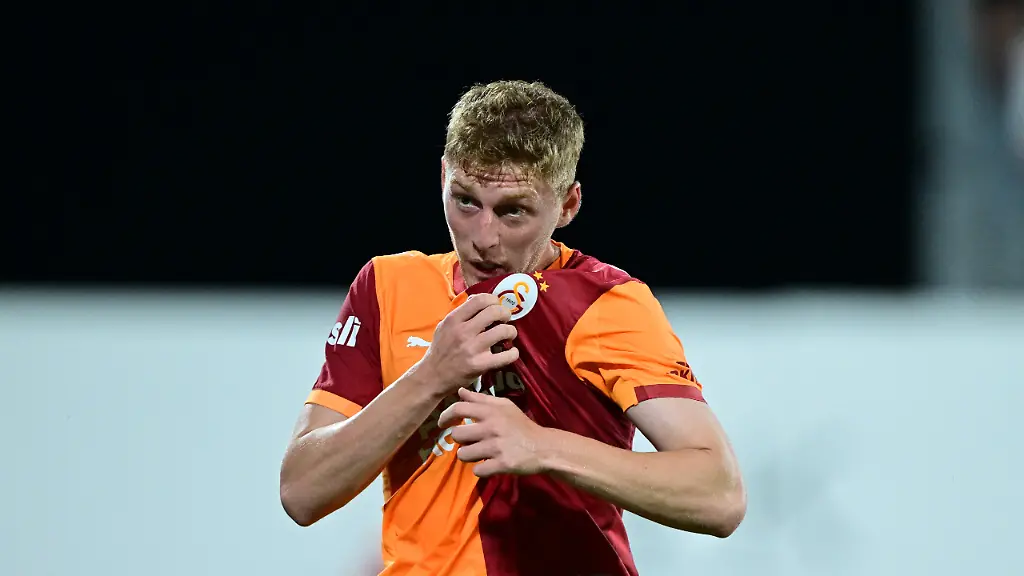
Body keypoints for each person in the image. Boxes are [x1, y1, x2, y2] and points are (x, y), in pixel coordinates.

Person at [279, 80, 746, 575]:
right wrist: (431, 375)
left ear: (568, 205)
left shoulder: (606, 303)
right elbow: (301, 491)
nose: (484, 238)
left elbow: (719, 495)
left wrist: (541, 446)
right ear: (443, 176)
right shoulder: (386, 287)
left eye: (513, 211)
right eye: (466, 202)